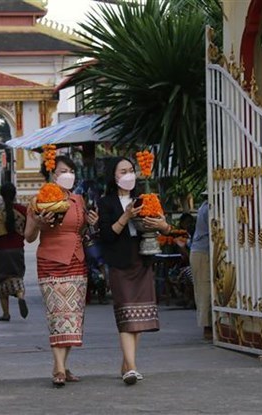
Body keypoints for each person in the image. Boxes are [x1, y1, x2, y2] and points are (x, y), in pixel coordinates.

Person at [24, 155, 99, 387]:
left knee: (72, 316)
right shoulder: (38, 201)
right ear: (52, 174)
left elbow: (83, 229)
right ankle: (58, 366)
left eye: (71, 170)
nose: (68, 175)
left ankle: (64, 365)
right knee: (57, 314)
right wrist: (38, 221)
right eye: (62, 171)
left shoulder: (78, 200)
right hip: (51, 259)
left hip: (77, 259)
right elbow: (28, 237)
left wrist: (92, 222)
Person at [97, 157, 172, 385]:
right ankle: (132, 367)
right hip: (120, 262)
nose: (128, 174)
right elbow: (107, 236)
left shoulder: (145, 198)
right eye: (123, 171)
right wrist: (126, 216)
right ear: (114, 176)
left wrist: (162, 226)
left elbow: (165, 226)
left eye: (131, 170)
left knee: (138, 317)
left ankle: (126, 364)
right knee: (125, 313)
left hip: (142, 259)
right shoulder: (106, 203)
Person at [0, 182, 28, 321]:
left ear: (2, 195)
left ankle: (6, 313)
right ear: (15, 193)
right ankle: (20, 294)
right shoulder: (23, 210)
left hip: (0, 251)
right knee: (17, 275)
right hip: (17, 249)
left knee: (0, 280)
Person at [189, 193, 211, 340]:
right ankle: (207, 326)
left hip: (203, 252)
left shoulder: (206, 207)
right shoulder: (208, 208)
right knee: (204, 291)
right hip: (202, 252)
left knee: (207, 289)